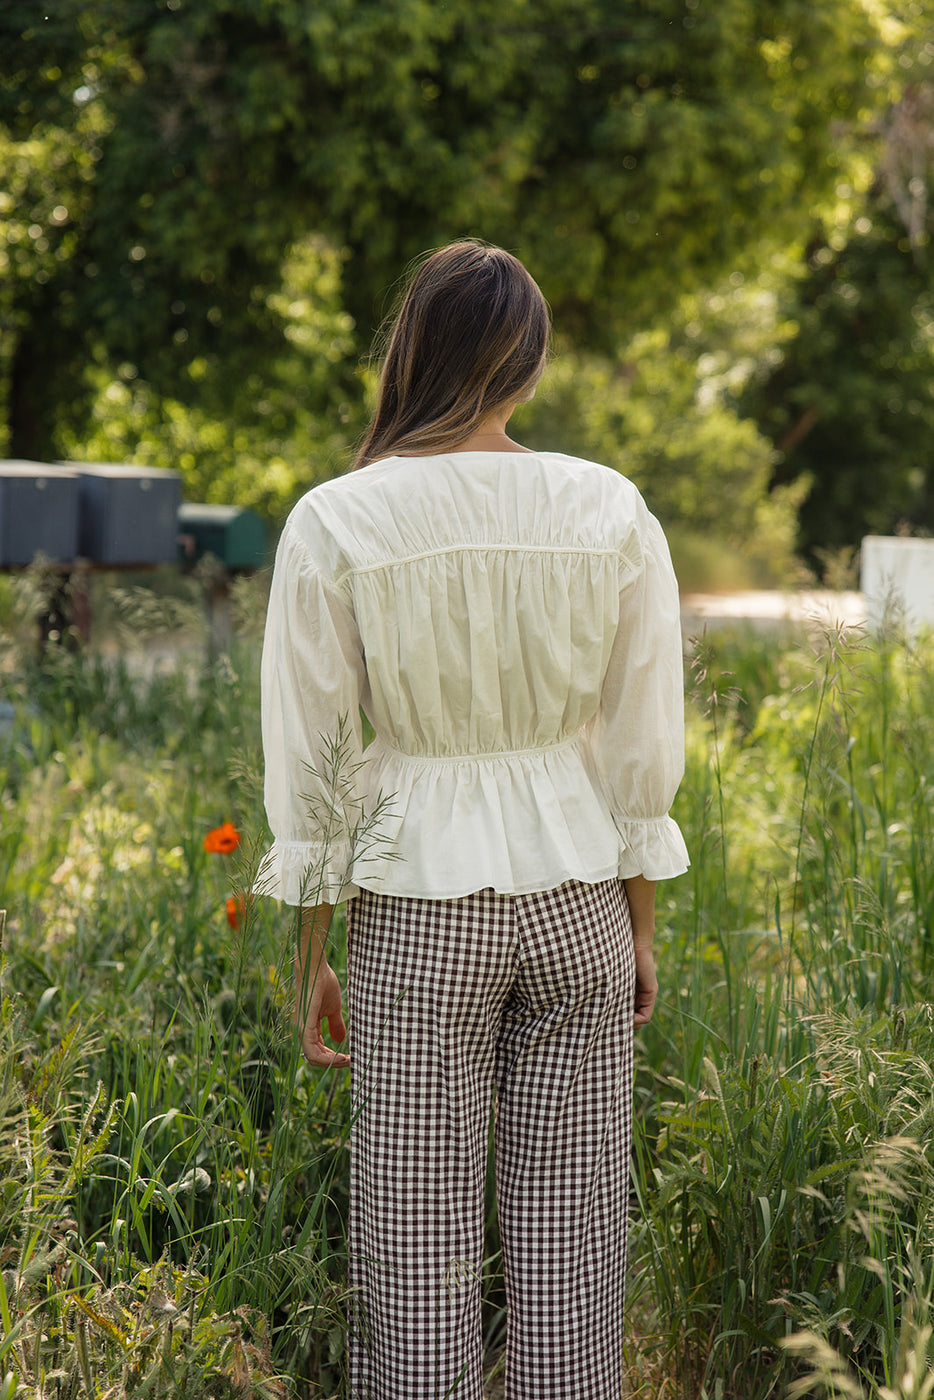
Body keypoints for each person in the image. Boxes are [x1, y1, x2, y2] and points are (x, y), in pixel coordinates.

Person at [259, 240, 689, 1400]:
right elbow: (641, 743)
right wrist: (638, 927)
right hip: (578, 902)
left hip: (415, 907)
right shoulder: (606, 504)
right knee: (572, 1231)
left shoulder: (336, 517)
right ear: (531, 365)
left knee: (414, 1239)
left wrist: (312, 955)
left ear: (409, 354)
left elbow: (314, 764)